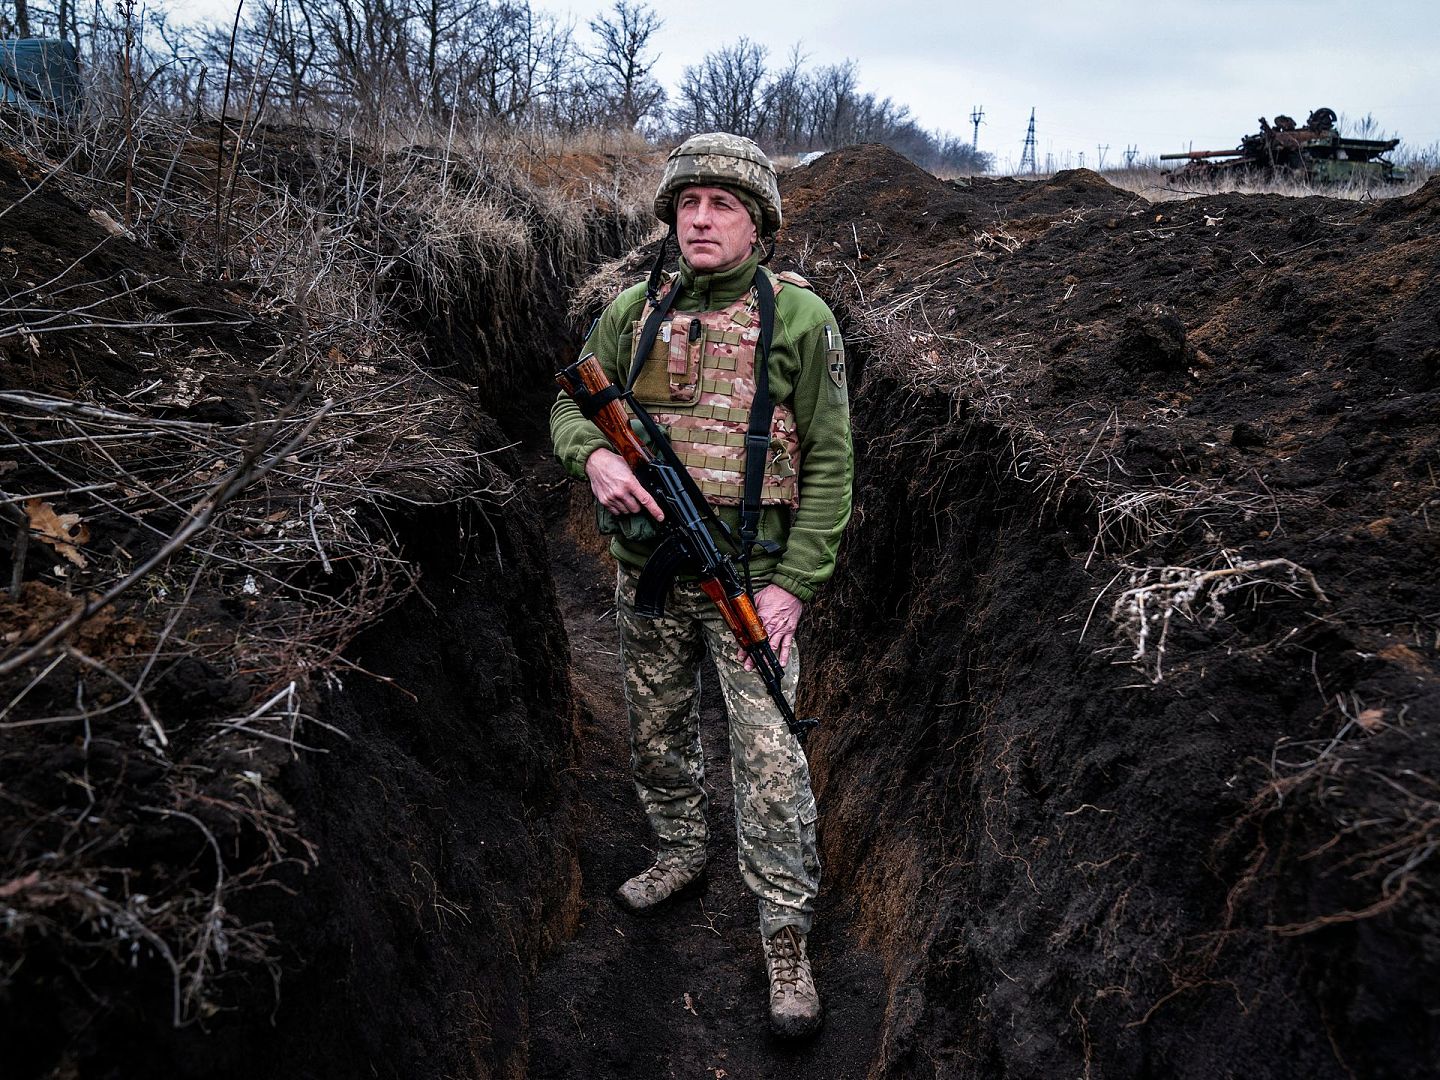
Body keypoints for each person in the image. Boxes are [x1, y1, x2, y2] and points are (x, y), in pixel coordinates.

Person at [549, 132, 853, 1038]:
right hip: (649, 574)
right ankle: (680, 849)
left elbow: (833, 461)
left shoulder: (800, 321)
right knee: (658, 726)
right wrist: (596, 456)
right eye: (688, 204)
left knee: (769, 762)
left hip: (752, 588)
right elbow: (570, 401)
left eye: (722, 205)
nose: (702, 219)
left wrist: (795, 584)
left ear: (757, 222)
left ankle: (786, 933)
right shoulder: (634, 311)